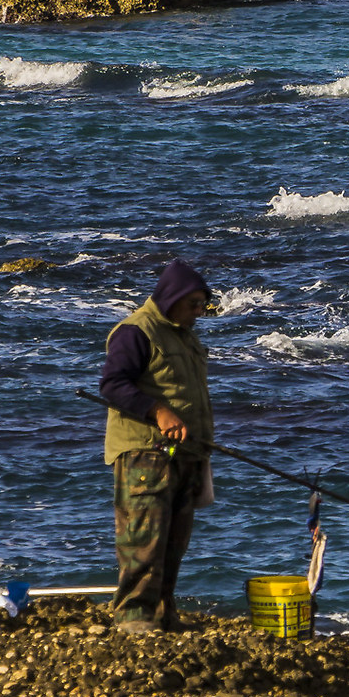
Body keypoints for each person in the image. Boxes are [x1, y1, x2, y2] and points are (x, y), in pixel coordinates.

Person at [99, 259, 219, 634]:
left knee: (173, 542)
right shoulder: (136, 331)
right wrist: (159, 412)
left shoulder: (185, 336)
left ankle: (164, 616)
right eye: (193, 304)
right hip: (145, 455)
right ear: (172, 298)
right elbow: (113, 385)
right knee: (143, 540)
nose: (199, 312)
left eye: (203, 305)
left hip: (186, 454)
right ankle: (133, 618)